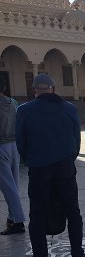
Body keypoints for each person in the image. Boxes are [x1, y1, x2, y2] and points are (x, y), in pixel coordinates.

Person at [15, 73, 85, 257]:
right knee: (72, 211)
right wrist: (69, 159)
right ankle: (78, 255)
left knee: (37, 213)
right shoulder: (69, 109)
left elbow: (20, 142)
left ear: (34, 90)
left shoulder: (24, 110)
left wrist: (30, 160)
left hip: (39, 168)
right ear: (53, 88)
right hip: (65, 168)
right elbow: (76, 140)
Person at [0, 77, 26, 235]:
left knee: (8, 188)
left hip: (1, 146)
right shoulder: (13, 103)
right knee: (13, 185)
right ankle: (12, 218)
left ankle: (18, 221)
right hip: (13, 146)